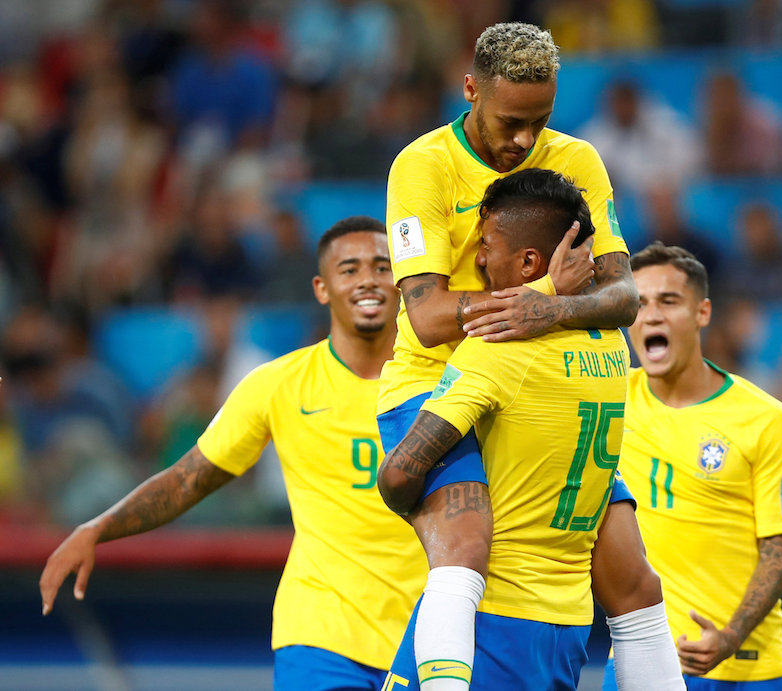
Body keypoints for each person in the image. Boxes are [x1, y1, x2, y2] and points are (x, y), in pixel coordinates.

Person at [376, 22, 670, 691]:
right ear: (471, 89)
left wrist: (552, 311)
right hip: (438, 384)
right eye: (510, 122)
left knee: (632, 575)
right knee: (466, 543)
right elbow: (425, 317)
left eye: (538, 123)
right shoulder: (422, 166)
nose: (522, 142)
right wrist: (544, 290)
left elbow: (623, 293)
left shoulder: (578, 161)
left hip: (545, 387)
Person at [39, 216, 426, 691]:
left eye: (383, 266)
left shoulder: (446, 382)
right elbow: (189, 478)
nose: (367, 278)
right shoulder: (276, 384)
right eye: (349, 269)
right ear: (322, 289)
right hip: (321, 634)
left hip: (427, 634)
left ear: (404, 282)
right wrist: (98, 527)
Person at [604, 243, 782, 690]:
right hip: (639, 661)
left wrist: (732, 636)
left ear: (703, 312)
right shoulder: (607, 400)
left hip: (747, 667)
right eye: (639, 304)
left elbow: (781, 551)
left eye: (669, 301)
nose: (652, 316)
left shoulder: (766, 420)